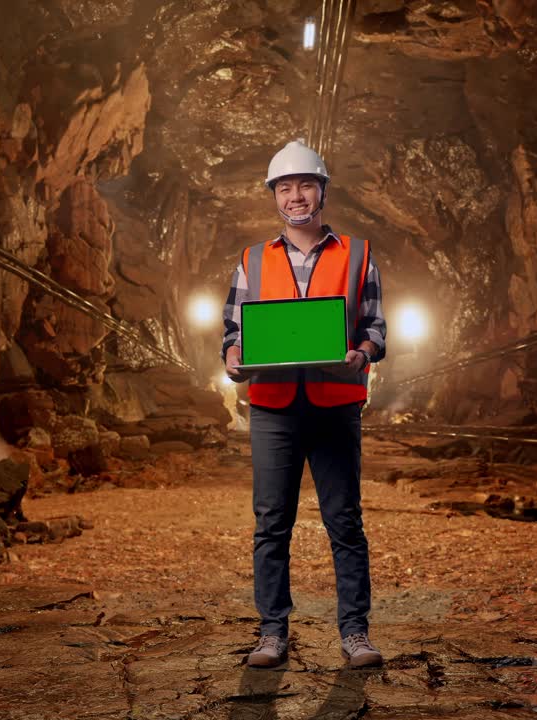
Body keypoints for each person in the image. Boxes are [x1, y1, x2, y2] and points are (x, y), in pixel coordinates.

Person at [221, 140, 387, 669]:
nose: (296, 196)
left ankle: (355, 633)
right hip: (272, 406)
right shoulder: (251, 260)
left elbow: (376, 327)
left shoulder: (357, 253)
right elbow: (232, 331)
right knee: (272, 523)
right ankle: (272, 633)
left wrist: (362, 353)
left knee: (344, 520)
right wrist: (232, 357)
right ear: (275, 197)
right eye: (285, 187)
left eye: (305, 185)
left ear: (322, 191)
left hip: (336, 403)